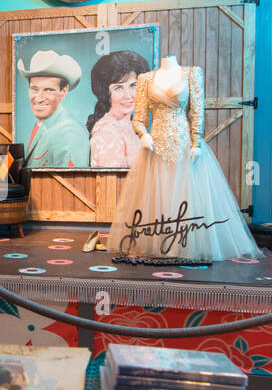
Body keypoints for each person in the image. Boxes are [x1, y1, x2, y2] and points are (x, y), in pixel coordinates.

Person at [106, 56, 260, 262]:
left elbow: (196, 111)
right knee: (157, 196)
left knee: (187, 195)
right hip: (155, 147)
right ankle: (159, 243)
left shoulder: (191, 74)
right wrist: (143, 134)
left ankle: (186, 244)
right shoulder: (145, 78)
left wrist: (196, 142)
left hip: (183, 144)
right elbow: (140, 116)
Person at [17, 50, 88, 168]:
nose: (39, 99)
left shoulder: (70, 133)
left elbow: (70, 183)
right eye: (34, 89)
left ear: (63, 91)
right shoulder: (44, 124)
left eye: (48, 90)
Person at [87, 51, 149, 168]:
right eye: (118, 88)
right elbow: (111, 183)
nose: (128, 95)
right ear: (106, 93)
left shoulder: (131, 124)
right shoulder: (106, 133)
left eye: (133, 85)